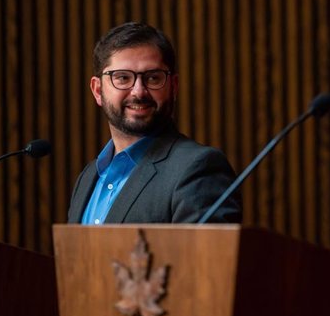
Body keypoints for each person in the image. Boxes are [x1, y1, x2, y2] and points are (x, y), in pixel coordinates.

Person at [67, 22, 242, 224]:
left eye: (153, 78)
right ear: (97, 91)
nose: (139, 91)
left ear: (173, 87)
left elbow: (206, 256)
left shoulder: (199, 168)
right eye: (122, 78)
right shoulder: (87, 178)